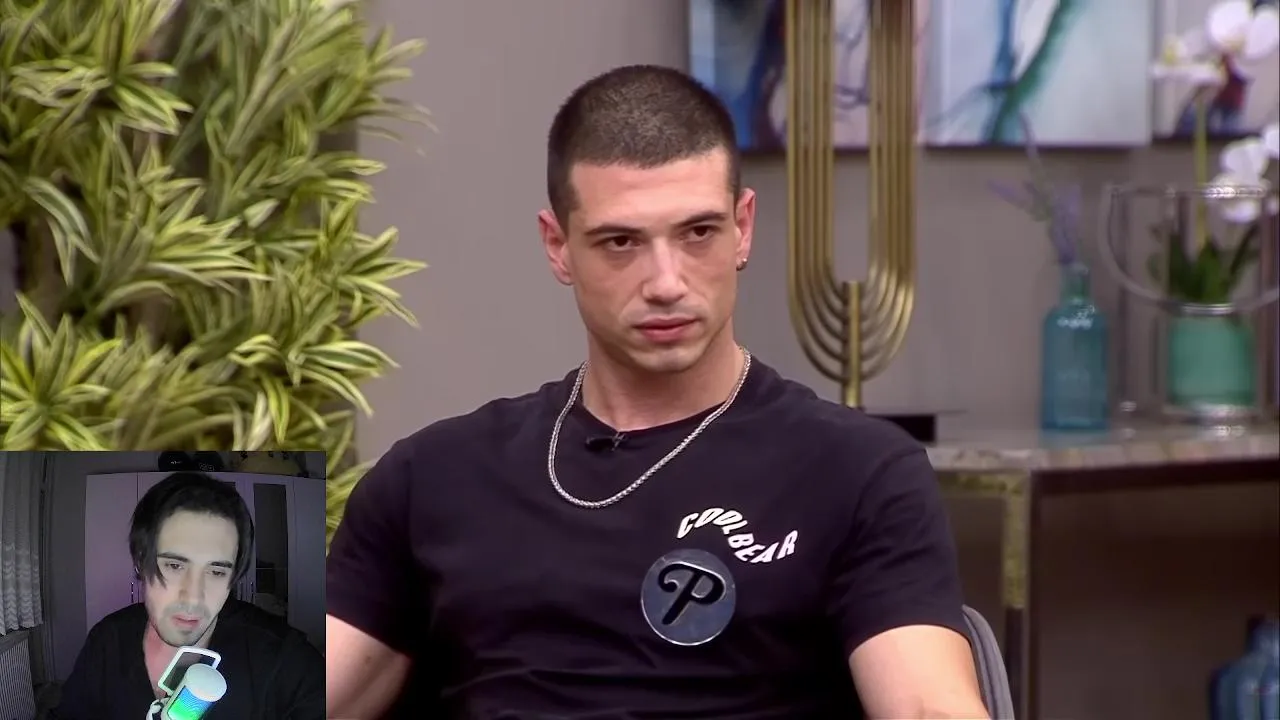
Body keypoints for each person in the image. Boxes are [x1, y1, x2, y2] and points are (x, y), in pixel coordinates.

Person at [326, 64, 988, 719]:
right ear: (558, 246)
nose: (666, 283)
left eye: (698, 233)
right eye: (621, 242)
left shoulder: (858, 472)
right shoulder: (433, 478)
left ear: (743, 227)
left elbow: (928, 707)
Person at [57, 471, 324, 719]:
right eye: (174, 566)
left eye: (216, 571)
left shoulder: (284, 659)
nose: (194, 598)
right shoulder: (107, 641)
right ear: (140, 562)